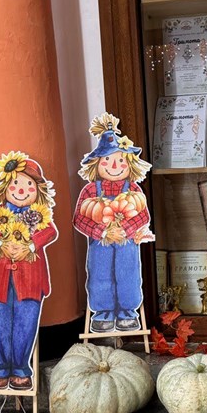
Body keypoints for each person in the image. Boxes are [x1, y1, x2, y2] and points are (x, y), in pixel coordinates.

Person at [0, 152, 57, 390]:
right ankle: (0, 367)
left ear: (38, 191)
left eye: (29, 184)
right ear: (5, 187)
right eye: (15, 184)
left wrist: (30, 246)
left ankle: (21, 368)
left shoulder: (39, 216)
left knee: (26, 321)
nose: (22, 190)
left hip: (30, 278)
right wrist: (0, 242)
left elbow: (50, 232)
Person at [73, 113, 153, 333]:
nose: (114, 166)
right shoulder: (90, 190)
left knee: (128, 274)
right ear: (97, 164)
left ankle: (128, 311)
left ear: (129, 164)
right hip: (101, 242)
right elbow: (79, 218)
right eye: (107, 161)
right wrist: (102, 232)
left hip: (126, 241)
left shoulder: (133, 189)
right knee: (100, 275)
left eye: (120, 161)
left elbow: (143, 215)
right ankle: (103, 312)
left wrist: (125, 229)